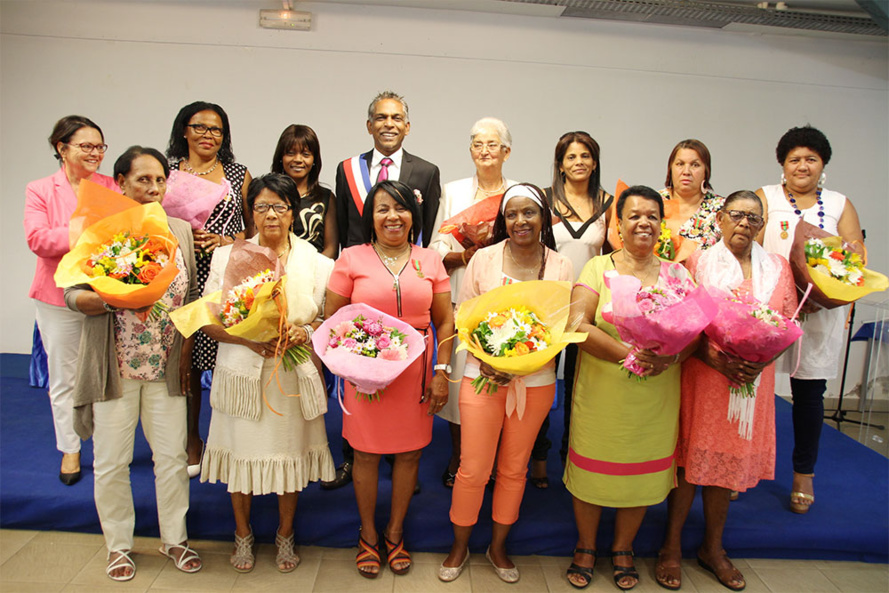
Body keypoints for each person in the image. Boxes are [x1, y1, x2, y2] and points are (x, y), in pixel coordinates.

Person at [64, 146, 202, 581]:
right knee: (111, 462)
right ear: (120, 181)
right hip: (116, 369)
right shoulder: (99, 228)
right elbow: (72, 293)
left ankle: (174, 539)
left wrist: (184, 354)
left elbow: (191, 297)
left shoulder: (179, 230)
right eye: (143, 180)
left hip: (165, 367)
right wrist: (102, 296)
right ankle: (119, 545)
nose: (153, 189)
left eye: (160, 180)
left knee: (171, 459)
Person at [656, 191, 797, 591]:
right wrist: (716, 359)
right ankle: (670, 547)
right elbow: (682, 321)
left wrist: (760, 362)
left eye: (754, 218)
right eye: (737, 215)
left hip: (750, 381)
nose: (745, 224)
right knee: (688, 463)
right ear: (719, 219)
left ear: (762, 226)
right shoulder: (697, 262)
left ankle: (712, 548)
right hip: (705, 376)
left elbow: (787, 323)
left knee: (726, 467)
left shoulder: (778, 268)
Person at [199, 174, 335, 573]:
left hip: (291, 373)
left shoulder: (318, 261)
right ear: (251, 212)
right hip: (242, 374)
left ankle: (285, 533)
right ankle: (242, 534)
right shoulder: (228, 257)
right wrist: (245, 339)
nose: (270, 214)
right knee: (241, 456)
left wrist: (304, 331)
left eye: (279, 206)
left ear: (293, 212)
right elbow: (205, 319)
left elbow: (330, 318)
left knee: (288, 454)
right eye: (261, 207)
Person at [439, 183, 573, 584]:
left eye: (529, 213)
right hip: (482, 379)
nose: (520, 221)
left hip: (535, 383)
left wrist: (522, 366)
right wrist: (489, 362)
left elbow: (561, 328)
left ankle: (497, 547)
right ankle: (459, 545)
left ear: (543, 218)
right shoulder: (482, 259)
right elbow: (464, 318)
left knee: (514, 470)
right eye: (511, 214)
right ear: (503, 220)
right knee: (473, 469)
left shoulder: (561, 266)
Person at [564, 186, 696, 590]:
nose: (644, 222)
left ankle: (624, 547)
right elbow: (576, 324)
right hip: (604, 394)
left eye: (652, 215)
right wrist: (629, 355)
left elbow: (694, 334)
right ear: (618, 224)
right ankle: (586, 546)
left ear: (661, 225)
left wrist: (671, 356)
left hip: (655, 395)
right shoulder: (597, 268)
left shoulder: (678, 274)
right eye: (634, 215)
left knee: (640, 473)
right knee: (592, 470)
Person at [326, 180, 453, 578]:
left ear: (413, 215)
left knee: (411, 453)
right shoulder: (351, 258)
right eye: (382, 209)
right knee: (364, 453)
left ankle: (395, 533)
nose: (392, 216)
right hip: (365, 375)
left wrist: (441, 371)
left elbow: (446, 320)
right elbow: (333, 322)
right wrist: (352, 365)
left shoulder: (430, 260)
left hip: (416, 373)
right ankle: (367, 535)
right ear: (370, 217)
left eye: (400, 208)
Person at [326, 90, 442, 490]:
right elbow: (342, 229)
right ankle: (354, 458)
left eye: (396, 118)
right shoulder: (347, 169)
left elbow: (423, 230)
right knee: (362, 414)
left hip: (408, 283)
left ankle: (402, 464)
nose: (389, 124)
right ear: (369, 124)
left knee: (405, 428)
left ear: (407, 126)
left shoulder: (426, 171)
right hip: (362, 292)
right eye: (380, 117)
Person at [756, 125, 863, 515]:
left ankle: (804, 474)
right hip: (767, 308)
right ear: (783, 164)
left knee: (808, 395)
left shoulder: (838, 204)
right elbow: (746, 246)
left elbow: (855, 255)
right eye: (794, 159)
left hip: (817, 313)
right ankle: (744, 466)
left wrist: (828, 291)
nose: (802, 166)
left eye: (811, 159)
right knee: (754, 388)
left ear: (823, 165)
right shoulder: (765, 198)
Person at [24, 115, 118, 485]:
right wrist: (83, 231)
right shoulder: (40, 189)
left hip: (103, 296)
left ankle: (108, 448)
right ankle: (71, 449)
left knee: (104, 376)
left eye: (99, 146)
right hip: (56, 295)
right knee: (64, 377)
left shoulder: (112, 186)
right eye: (86, 146)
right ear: (62, 148)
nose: (95, 153)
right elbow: (38, 240)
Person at [165, 100, 253, 477]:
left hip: (222, 275)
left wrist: (225, 241)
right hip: (176, 275)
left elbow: (253, 228)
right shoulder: (166, 171)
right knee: (182, 361)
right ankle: (190, 439)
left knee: (222, 358)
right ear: (184, 130)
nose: (208, 135)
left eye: (216, 130)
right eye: (199, 127)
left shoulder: (237, 173)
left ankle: (228, 439)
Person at [429, 116, 517, 489]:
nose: (484, 151)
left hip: (507, 296)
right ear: (470, 151)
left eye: (492, 144)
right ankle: (459, 456)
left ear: (506, 152)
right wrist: (464, 255)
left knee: (501, 373)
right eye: (477, 144)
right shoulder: (452, 191)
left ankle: (496, 460)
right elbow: (435, 247)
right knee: (463, 372)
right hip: (463, 291)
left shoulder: (518, 192)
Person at [534, 131, 613, 485]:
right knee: (540, 383)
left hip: (588, 309)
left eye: (585, 156)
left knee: (579, 387)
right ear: (560, 164)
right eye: (571, 157)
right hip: (548, 305)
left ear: (595, 162)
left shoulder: (610, 202)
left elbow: (613, 257)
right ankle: (537, 456)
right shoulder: (544, 199)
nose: (578, 162)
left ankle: (572, 454)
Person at [270, 124, 338, 258]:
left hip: (315, 274)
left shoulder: (326, 198)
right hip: (273, 274)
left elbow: (332, 248)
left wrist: (311, 271)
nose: (298, 160)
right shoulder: (268, 195)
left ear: (314, 160)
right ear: (280, 157)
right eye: (290, 153)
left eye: (305, 154)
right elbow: (256, 241)